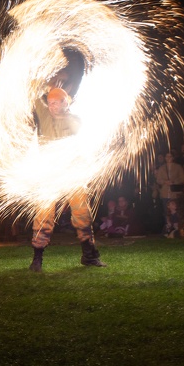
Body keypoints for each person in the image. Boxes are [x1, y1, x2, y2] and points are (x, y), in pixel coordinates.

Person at [28, 87, 105, 272]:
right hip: (49, 175)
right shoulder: (44, 113)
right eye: (50, 103)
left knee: (82, 213)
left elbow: (79, 135)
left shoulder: (75, 120)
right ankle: (37, 259)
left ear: (65, 103)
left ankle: (89, 256)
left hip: (72, 173)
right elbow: (32, 87)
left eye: (56, 103)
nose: (51, 106)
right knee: (43, 215)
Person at [155, 151, 184, 219]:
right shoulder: (162, 168)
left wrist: (174, 182)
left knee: (177, 211)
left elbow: (183, 178)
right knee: (166, 211)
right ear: (165, 158)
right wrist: (165, 181)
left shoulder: (178, 167)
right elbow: (158, 180)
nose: (168, 158)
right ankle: (169, 225)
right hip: (165, 193)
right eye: (167, 156)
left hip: (175, 193)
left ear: (173, 157)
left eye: (170, 156)